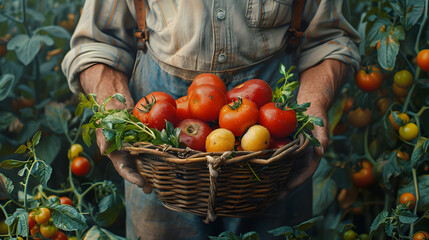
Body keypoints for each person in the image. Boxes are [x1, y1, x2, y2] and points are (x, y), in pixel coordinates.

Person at [62, 0, 360, 239]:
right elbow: (97, 43)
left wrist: (314, 105)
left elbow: (330, 40)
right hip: (158, 157)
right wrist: (112, 111)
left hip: (273, 158)